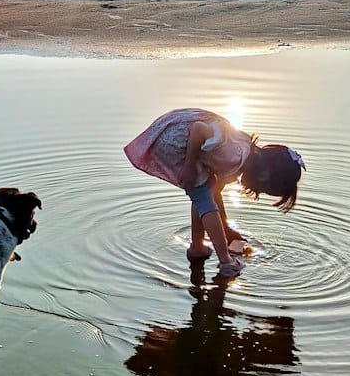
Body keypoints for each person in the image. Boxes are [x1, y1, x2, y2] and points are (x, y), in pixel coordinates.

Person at [124, 108, 304, 277]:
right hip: (175, 142)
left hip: (174, 132)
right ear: (264, 176)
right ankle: (226, 262)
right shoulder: (233, 156)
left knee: (204, 190)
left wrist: (225, 228)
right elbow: (198, 130)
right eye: (263, 190)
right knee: (201, 192)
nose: (256, 191)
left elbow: (214, 192)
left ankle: (197, 248)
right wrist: (189, 166)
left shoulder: (243, 150)